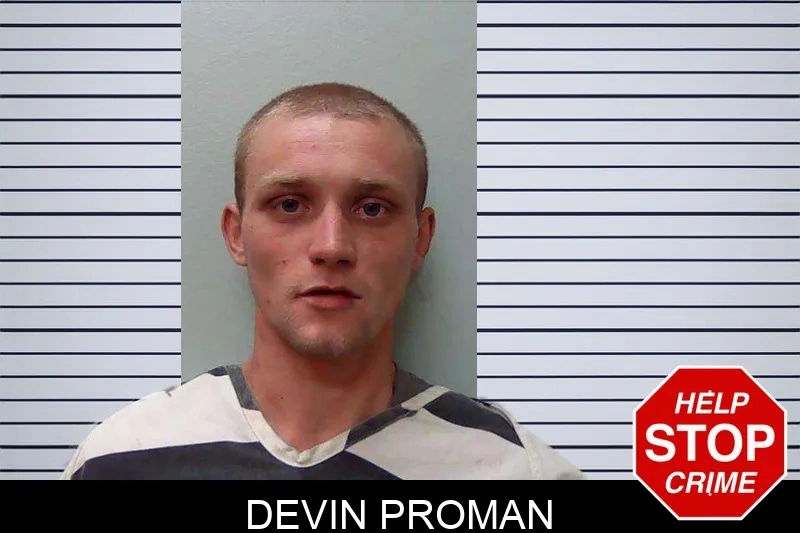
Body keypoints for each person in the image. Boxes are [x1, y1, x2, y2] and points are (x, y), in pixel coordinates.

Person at [60, 82, 585, 480]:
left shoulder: (514, 472)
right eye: (290, 205)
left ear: (420, 238)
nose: (332, 246)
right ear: (236, 234)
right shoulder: (121, 460)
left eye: (372, 208)